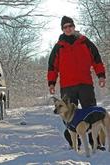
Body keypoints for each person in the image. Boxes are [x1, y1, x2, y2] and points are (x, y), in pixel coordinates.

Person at [47, 16, 106, 149]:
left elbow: (96, 59)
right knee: (67, 114)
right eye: (65, 27)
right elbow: (52, 66)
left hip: (85, 84)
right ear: (62, 29)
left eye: (70, 26)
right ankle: (75, 143)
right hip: (67, 87)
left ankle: (94, 142)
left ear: (74, 27)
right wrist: (51, 83)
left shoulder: (85, 42)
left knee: (91, 113)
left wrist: (101, 75)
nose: (68, 29)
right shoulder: (58, 47)